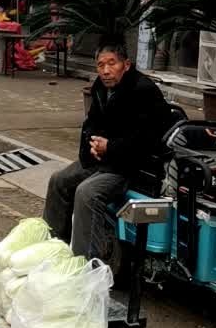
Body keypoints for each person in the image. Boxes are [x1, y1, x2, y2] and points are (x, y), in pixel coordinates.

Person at [43, 41, 171, 258]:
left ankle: (84, 265)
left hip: (132, 167)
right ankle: (54, 249)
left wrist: (110, 147)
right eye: (101, 65)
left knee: (87, 193)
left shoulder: (143, 91)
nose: (106, 70)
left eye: (112, 64)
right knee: (59, 180)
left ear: (126, 64)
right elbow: (91, 124)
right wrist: (91, 146)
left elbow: (145, 139)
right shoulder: (101, 88)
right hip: (104, 159)